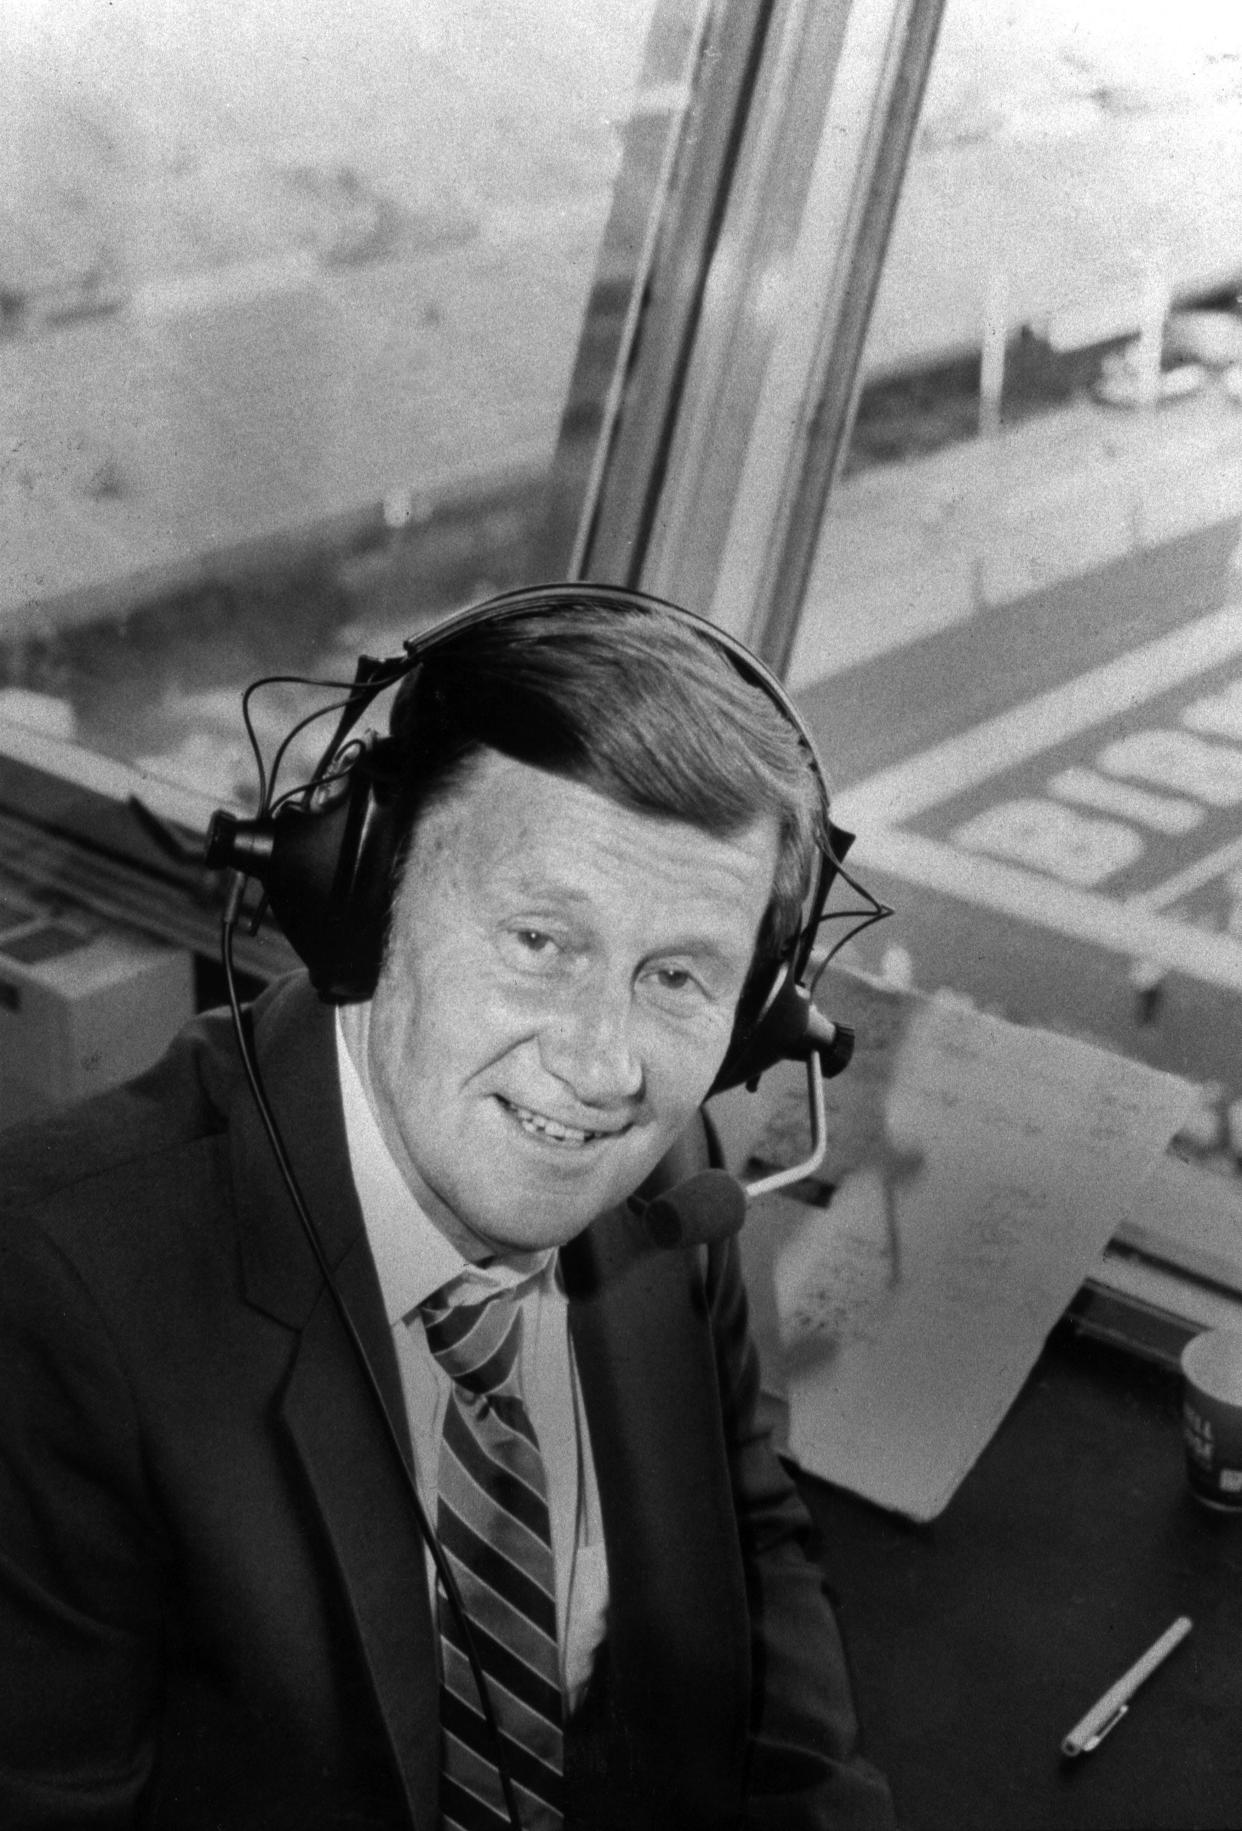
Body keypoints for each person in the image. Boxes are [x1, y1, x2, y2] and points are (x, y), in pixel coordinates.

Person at [0, 590, 896, 1831]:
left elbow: (755, 1544)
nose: (604, 1065)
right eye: (541, 938)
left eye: (680, 978)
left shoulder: (669, 1161)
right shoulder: (58, 1288)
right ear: (363, 893)